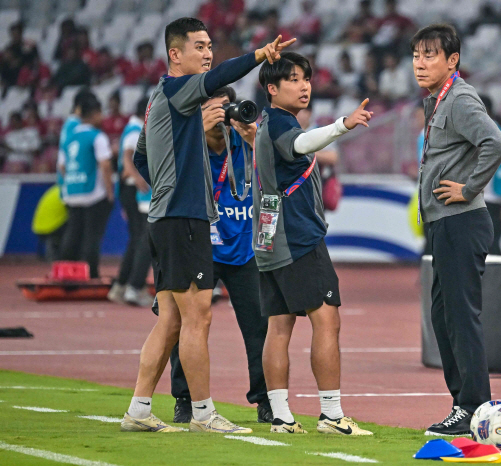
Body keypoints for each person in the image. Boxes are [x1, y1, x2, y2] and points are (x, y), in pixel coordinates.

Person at [124, 17, 294, 434]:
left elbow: (143, 155)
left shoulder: (158, 98)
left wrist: (166, 185)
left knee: (171, 321)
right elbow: (219, 77)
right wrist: (258, 55)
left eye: (208, 46)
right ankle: (202, 414)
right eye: (198, 46)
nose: (207, 53)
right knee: (198, 318)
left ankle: (139, 410)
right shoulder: (178, 89)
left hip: (169, 217)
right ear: (174, 54)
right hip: (183, 219)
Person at [254, 51, 373, 435]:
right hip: (297, 237)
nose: (303, 84)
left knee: (279, 325)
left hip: (269, 236)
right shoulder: (280, 126)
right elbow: (303, 144)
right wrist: (343, 124)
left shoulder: (266, 123)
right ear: (271, 89)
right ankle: (332, 415)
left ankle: (281, 416)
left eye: (305, 77)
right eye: (292, 79)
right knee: (326, 319)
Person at [412, 24, 501, 436]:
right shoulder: (437, 100)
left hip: (461, 220)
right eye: (416, 54)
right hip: (445, 223)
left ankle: (473, 406)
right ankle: (463, 404)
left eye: (429, 54)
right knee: (444, 315)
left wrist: (470, 187)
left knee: (460, 317)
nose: (419, 62)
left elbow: (497, 143)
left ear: (452, 60)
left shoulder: (460, 98)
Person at [168, 85, 272, 424]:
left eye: (226, 108)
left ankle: (265, 401)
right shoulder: (185, 145)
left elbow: (286, 172)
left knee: (259, 327)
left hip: (245, 248)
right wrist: (192, 132)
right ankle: (186, 398)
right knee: (187, 323)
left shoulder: (249, 142)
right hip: (200, 247)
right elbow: (163, 175)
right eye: (211, 108)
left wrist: (259, 141)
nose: (220, 116)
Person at [57, 97, 114, 278]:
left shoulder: (69, 137)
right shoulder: (97, 136)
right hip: (93, 194)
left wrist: (71, 181)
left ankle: (66, 271)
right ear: (95, 114)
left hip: (72, 192)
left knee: (72, 234)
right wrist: (110, 192)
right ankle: (91, 274)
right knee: (92, 236)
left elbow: (62, 166)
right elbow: (105, 165)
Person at [108, 97, 152, 307]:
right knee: (143, 238)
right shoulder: (136, 130)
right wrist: (137, 177)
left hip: (128, 187)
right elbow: (127, 158)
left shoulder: (131, 128)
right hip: (133, 187)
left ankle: (123, 285)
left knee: (137, 238)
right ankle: (133, 285)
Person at [480, 95, 501, 255]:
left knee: (489, 240)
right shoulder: (498, 130)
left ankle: (495, 276)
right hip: (494, 193)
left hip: (488, 195)